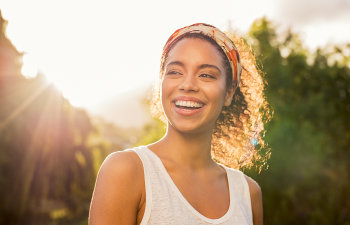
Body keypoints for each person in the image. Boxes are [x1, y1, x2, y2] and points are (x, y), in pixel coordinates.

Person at [89, 23, 270, 225]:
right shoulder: (126, 171)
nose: (188, 85)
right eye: (175, 72)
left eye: (206, 75)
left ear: (228, 93)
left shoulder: (248, 193)